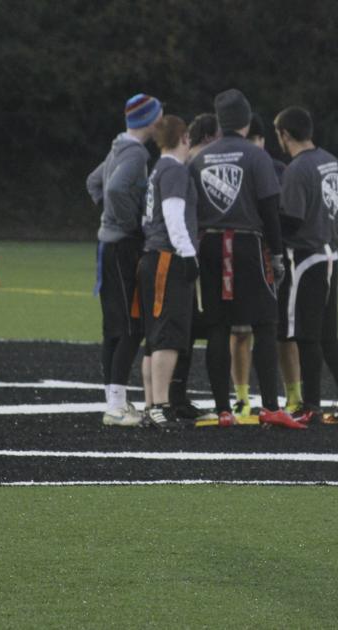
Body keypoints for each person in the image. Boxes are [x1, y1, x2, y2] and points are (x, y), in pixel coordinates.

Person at [190, 89, 303, 429]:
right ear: (245, 119)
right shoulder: (257, 158)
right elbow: (270, 208)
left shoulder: (200, 159)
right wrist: (278, 252)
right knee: (265, 324)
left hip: (209, 246)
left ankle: (224, 409)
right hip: (248, 246)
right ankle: (270, 406)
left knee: (218, 326)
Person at [273, 106, 338, 425]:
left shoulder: (297, 169)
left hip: (306, 256)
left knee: (305, 335)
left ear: (285, 134)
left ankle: (309, 405)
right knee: (328, 335)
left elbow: (293, 221)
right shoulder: (331, 161)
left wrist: (268, 229)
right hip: (330, 253)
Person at [86, 93, 163, 427]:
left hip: (107, 245)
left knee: (113, 327)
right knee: (133, 324)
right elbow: (116, 190)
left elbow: (94, 182)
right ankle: (115, 406)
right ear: (149, 119)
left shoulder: (118, 147)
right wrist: (126, 224)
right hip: (121, 245)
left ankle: (115, 401)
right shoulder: (135, 154)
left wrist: (108, 220)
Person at [229, 113, 303, 419]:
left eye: (256, 141)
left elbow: (283, 214)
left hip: (271, 256)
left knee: (283, 331)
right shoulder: (238, 167)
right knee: (241, 330)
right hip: (247, 256)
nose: (252, 146)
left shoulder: (277, 169)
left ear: (262, 141)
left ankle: (294, 394)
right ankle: (242, 396)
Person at [137, 115, 199, 429]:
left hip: (153, 256)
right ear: (185, 138)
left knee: (155, 337)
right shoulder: (174, 170)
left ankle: (152, 404)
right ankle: (158, 405)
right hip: (167, 257)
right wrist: (188, 255)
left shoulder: (158, 168)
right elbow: (173, 216)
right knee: (167, 336)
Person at [167, 112, 221, 423]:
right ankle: (174, 397)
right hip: (191, 253)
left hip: (189, 251)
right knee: (193, 327)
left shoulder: (184, 165)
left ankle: (176, 395)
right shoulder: (194, 165)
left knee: (184, 329)